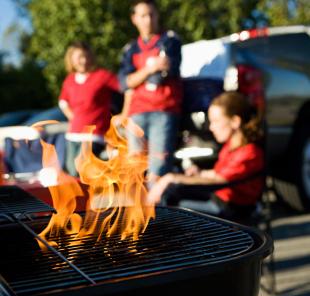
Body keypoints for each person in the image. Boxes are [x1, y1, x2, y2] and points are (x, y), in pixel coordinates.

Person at [147, 91, 265, 220]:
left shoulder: (249, 153)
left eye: (215, 121)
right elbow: (219, 173)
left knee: (171, 207)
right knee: (172, 194)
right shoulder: (230, 146)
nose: (211, 127)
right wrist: (200, 172)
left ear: (235, 121)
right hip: (218, 198)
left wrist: (172, 178)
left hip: (232, 208)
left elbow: (219, 180)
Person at [118, 0, 183, 188]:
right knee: (134, 168)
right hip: (136, 113)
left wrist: (137, 77)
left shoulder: (170, 40)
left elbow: (164, 73)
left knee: (157, 167)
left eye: (151, 14)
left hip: (163, 110)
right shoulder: (130, 49)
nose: (148, 20)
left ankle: (159, 213)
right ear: (134, 19)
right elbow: (124, 83)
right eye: (143, 15)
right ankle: (138, 214)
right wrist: (149, 69)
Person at [59, 41, 120, 176]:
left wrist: (124, 113)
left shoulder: (102, 76)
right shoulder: (69, 80)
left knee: (80, 169)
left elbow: (125, 87)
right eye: (80, 57)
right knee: (71, 172)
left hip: (94, 135)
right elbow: (63, 102)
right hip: (73, 135)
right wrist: (73, 117)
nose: (84, 60)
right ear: (72, 59)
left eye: (86, 56)